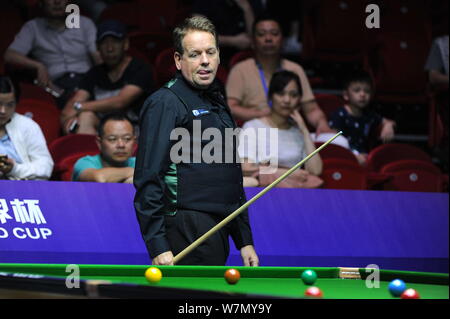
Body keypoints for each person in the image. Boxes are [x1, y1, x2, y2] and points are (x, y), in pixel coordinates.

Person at [134, 15, 259, 267]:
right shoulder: (165, 102)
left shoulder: (217, 101)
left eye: (210, 52)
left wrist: (244, 240)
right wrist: (157, 244)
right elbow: (149, 177)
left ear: (219, 56)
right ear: (178, 60)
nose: (204, 61)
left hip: (218, 226)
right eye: (195, 54)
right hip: (185, 226)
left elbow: (231, 175)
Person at [226, 15, 333, 135]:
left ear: (283, 40)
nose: (268, 38)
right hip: (254, 129)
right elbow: (231, 107)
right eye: (261, 34)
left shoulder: (295, 69)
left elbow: (311, 109)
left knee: (337, 141)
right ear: (253, 41)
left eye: (274, 33)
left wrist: (322, 124)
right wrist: (265, 115)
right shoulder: (240, 69)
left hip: (290, 129)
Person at [61, 20, 155, 135]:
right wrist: (69, 123)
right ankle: (89, 153)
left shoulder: (140, 68)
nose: (109, 48)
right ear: (97, 47)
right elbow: (71, 106)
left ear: (125, 44)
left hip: (138, 131)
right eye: (104, 43)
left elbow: (121, 102)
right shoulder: (94, 73)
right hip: (107, 133)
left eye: (115, 42)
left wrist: (80, 106)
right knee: (85, 117)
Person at [4, 0, 101, 108]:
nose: (57, 2)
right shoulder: (33, 27)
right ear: (42, 3)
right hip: (55, 86)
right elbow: (10, 55)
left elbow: (97, 56)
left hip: (86, 81)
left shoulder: (84, 23)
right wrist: (38, 66)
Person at [238, 70, 323, 188]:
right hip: (261, 191)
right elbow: (245, 168)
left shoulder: (298, 133)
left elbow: (315, 170)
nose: (287, 100)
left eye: (293, 95)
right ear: (271, 96)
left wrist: (304, 130)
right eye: (281, 94)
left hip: (294, 193)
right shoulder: (252, 127)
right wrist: (283, 173)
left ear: (299, 100)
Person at [328, 71, 396, 166]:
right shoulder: (339, 115)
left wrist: (388, 125)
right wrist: (353, 155)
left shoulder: (369, 115)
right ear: (346, 95)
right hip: (344, 156)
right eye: (357, 90)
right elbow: (333, 140)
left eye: (367, 91)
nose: (362, 94)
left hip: (365, 156)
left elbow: (389, 121)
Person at [0, 75, 53, 180]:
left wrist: (14, 169)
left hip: (22, 190)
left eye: (10, 105)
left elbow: (45, 167)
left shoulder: (27, 126)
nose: (3, 111)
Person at [192, 0, 262, 67]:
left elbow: (258, 35)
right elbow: (199, 36)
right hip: (216, 57)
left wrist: (247, 9)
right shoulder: (204, 2)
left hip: (252, 56)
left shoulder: (253, 2)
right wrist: (233, 41)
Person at [72, 112, 136, 183]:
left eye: (127, 139)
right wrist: (134, 172)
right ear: (99, 143)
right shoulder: (84, 162)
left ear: (134, 141)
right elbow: (100, 178)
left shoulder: (139, 163)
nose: (121, 145)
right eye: (112, 139)